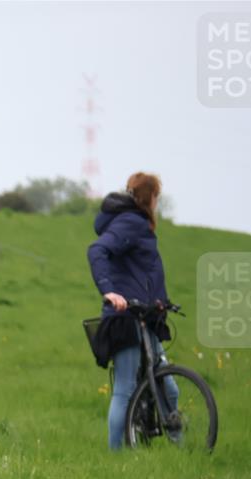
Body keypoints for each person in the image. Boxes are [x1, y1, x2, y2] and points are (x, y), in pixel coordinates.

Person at [87, 172, 179, 450]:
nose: (157, 203)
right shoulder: (129, 222)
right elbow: (97, 251)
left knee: (169, 386)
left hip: (145, 316)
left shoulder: (138, 224)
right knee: (125, 388)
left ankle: (180, 448)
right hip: (125, 318)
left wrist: (160, 302)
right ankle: (116, 457)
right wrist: (109, 291)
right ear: (149, 197)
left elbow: (142, 273)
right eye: (156, 197)